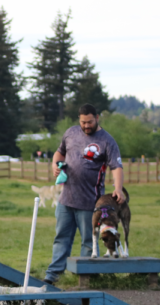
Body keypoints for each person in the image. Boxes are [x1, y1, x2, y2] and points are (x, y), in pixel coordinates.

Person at [43, 103, 124, 285]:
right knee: (61, 237)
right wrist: (55, 164)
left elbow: (116, 167)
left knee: (89, 240)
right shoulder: (70, 133)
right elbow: (59, 152)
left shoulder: (107, 140)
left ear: (97, 118)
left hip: (91, 203)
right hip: (66, 199)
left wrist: (118, 189)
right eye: (83, 122)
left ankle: (86, 276)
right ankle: (54, 274)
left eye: (89, 122)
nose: (86, 125)